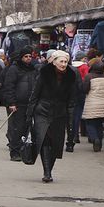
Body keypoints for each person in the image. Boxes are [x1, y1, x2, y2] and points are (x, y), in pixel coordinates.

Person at [25, 50, 76, 183]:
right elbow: (34, 95)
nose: (64, 64)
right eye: (61, 61)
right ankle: (47, 172)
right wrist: (29, 114)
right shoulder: (44, 75)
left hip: (59, 114)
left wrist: (71, 119)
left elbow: (71, 101)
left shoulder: (71, 77)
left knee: (56, 143)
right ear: (54, 62)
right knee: (45, 140)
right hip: (42, 111)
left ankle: (49, 170)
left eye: (66, 62)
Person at [4, 46, 37, 161]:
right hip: (17, 104)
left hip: (30, 103)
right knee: (16, 128)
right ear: (21, 57)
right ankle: (14, 152)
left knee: (26, 128)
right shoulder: (14, 69)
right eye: (26, 56)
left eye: (30, 56)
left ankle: (23, 150)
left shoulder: (33, 69)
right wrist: (11, 102)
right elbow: (9, 86)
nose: (28, 59)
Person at [81, 59, 104, 152]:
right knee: (99, 124)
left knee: (90, 123)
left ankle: (95, 139)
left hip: (92, 103)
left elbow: (85, 90)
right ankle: (99, 143)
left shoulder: (89, 77)